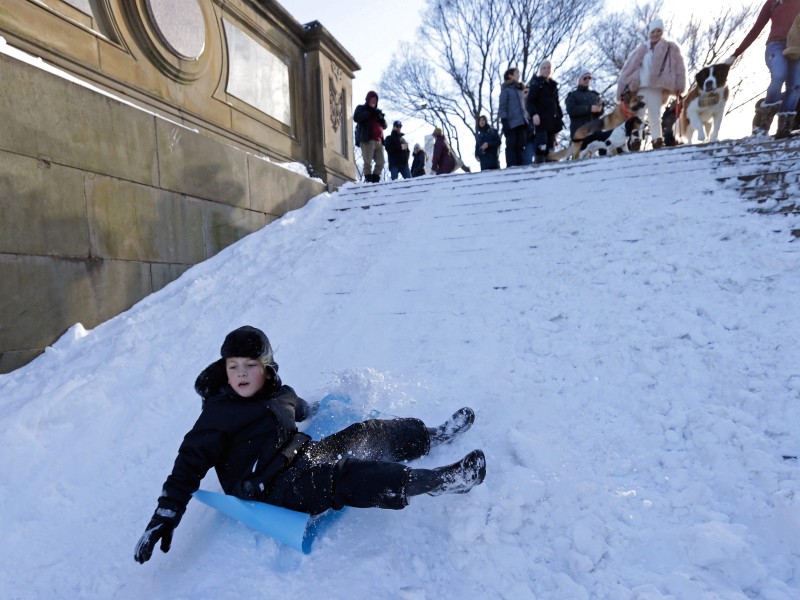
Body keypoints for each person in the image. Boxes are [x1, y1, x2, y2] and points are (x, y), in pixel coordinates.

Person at [134, 326, 486, 564]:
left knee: (366, 432)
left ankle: (432, 435)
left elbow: (301, 408)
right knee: (347, 478)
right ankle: (440, 482)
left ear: (267, 368)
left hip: (303, 456)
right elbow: (188, 465)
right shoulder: (219, 414)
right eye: (233, 366)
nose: (240, 373)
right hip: (272, 489)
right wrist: (164, 516)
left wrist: (324, 406)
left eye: (250, 366)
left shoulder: (281, 395)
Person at [725, 0, 800, 139]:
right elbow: (756, 29)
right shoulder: (773, 2)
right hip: (775, 45)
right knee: (779, 74)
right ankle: (762, 125)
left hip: (797, 47)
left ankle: (784, 128)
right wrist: (735, 54)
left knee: (796, 86)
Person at [617, 18, 686, 149]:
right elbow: (629, 67)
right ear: (649, 33)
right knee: (639, 116)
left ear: (662, 32)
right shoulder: (642, 49)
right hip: (641, 87)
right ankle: (636, 141)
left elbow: (679, 67)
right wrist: (622, 88)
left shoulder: (670, 48)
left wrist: (679, 85)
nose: (655, 33)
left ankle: (657, 141)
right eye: (653, 31)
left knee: (655, 115)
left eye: (658, 31)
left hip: (657, 87)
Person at [526, 60, 564, 163]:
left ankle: (551, 170)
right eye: (544, 67)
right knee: (541, 145)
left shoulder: (553, 85)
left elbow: (556, 104)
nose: (546, 69)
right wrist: (534, 114)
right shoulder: (536, 82)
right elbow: (530, 101)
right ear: (540, 70)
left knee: (551, 148)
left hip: (552, 121)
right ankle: (538, 169)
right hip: (541, 120)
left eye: (548, 67)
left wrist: (559, 119)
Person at [498, 67, 530, 167]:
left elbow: (524, 107)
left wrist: (527, 119)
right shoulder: (506, 91)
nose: (518, 75)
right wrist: (504, 120)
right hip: (511, 123)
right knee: (511, 145)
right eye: (516, 73)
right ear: (510, 76)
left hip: (522, 122)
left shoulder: (521, 90)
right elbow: (502, 107)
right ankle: (511, 166)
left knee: (521, 145)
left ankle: (520, 165)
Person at [353, 91, 387, 182]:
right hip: (367, 139)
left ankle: (375, 179)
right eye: (372, 99)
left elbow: (385, 126)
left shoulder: (377, 112)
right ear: (368, 99)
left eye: (375, 100)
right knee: (367, 162)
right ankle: (368, 179)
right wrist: (369, 113)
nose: (374, 101)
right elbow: (356, 117)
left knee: (381, 162)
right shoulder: (361, 108)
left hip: (379, 141)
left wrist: (381, 117)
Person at [565, 68, 604, 139]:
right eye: (585, 78)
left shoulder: (595, 95)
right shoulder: (573, 95)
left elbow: (601, 111)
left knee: (605, 144)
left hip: (594, 129)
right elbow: (571, 110)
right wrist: (589, 109)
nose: (587, 80)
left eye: (589, 78)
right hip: (579, 130)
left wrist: (600, 109)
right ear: (579, 80)